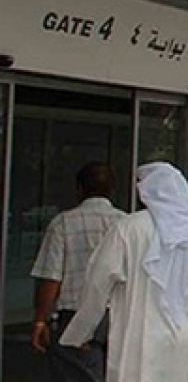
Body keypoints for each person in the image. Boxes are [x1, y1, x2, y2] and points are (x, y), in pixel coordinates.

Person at [59, 162, 188, 382]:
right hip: (186, 337)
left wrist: (80, 332)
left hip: (139, 336)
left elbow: (97, 284)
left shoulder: (128, 228)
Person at [30, 162, 127, 381]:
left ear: (79, 189)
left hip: (76, 316)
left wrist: (40, 320)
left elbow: (51, 277)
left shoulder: (63, 223)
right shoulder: (126, 225)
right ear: (112, 190)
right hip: (119, 316)